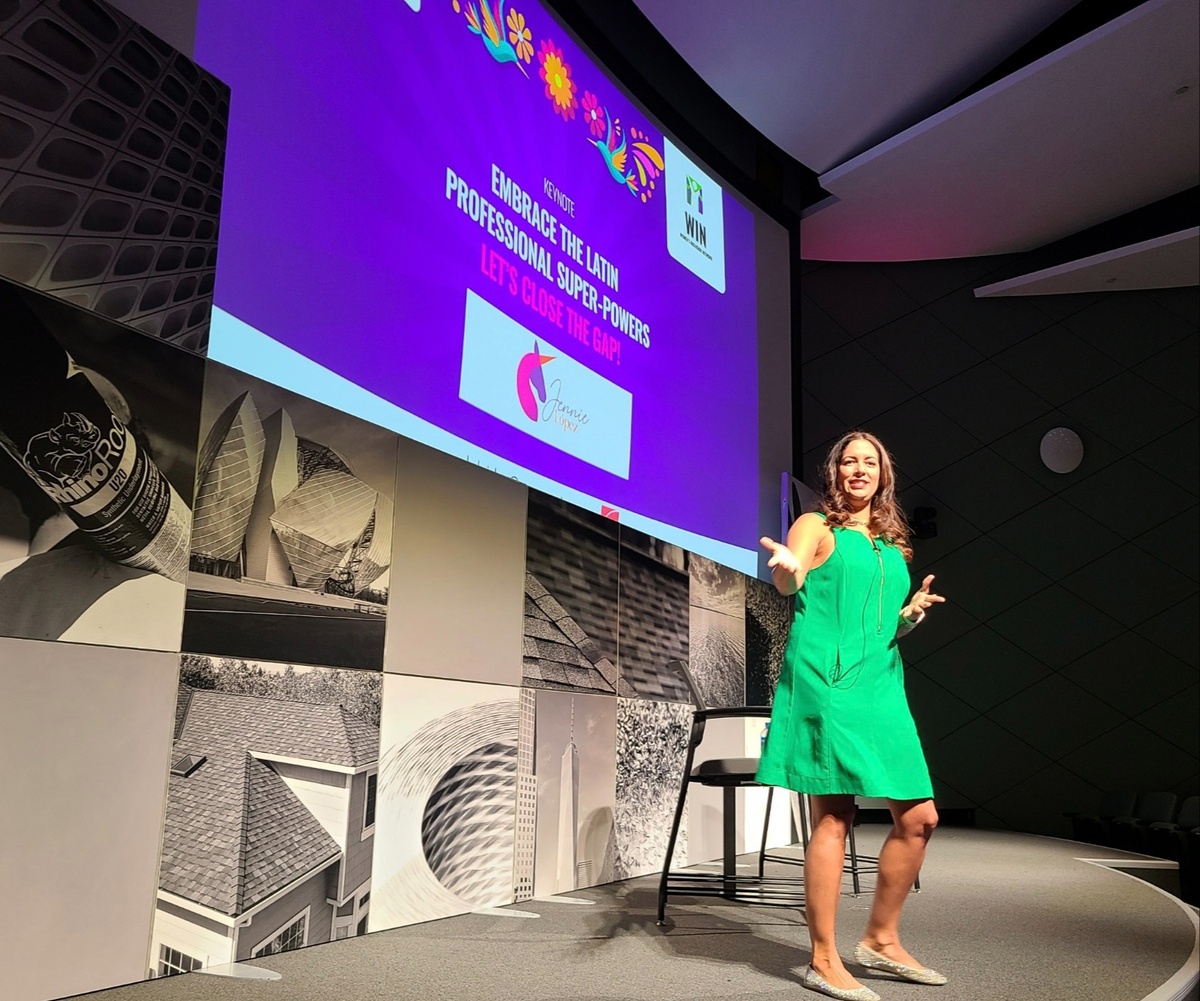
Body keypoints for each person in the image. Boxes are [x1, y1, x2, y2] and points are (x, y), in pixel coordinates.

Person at [757, 430, 946, 1001]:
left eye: (870, 462)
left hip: (882, 685)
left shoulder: (892, 544)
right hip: (828, 683)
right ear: (835, 471)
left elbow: (881, 627)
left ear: (883, 475)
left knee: (920, 818)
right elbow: (789, 579)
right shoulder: (816, 525)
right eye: (849, 462)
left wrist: (908, 617)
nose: (859, 470)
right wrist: (787, 567)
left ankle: (881, 940)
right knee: (834, 817)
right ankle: (822, 959)